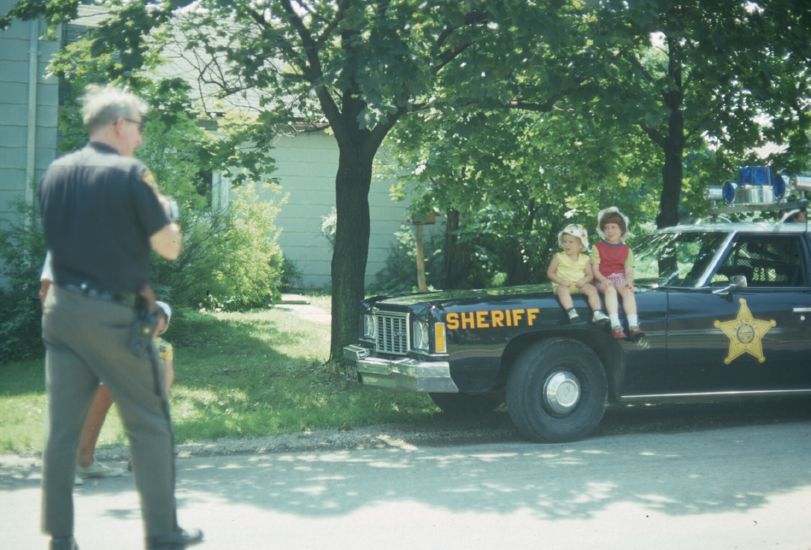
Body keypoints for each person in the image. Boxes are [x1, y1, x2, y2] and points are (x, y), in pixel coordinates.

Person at [38, 85, 202, 550]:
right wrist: (169, 215)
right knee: (151, 420)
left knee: (61, 430)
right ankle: (164, 533)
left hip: (61, 311)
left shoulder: (56, 172)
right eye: (137, 126)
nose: (140, 137)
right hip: (110, 314)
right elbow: (168, 247)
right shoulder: (132, 174)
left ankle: (61, 537)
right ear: (116, 124)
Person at [591, 207, 642, 339]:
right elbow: (595, 270)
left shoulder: (626, 249)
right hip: (602, 278)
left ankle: (633, 326)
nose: (610, 231)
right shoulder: (598, 247)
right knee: (610, 290)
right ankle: (615, 326)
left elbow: (628, 270)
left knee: (627, 290)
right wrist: (603, 280)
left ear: (621, 229)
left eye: (613, 227)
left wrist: (629, 281)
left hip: (619, 277)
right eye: (607, 228)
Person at [546, 223, 609, 325]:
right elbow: (550, 273)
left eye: (571, 242)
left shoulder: (585, 259)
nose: (567, 244)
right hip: (563, 285)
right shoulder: (558, 257)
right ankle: (571, 311)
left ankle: (597, 312)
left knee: (592, 289)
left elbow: (590, 275)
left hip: (579, 285)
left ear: (581, 245)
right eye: (564, 241)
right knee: (562, 290)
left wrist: (584, 280)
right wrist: (561, 281)